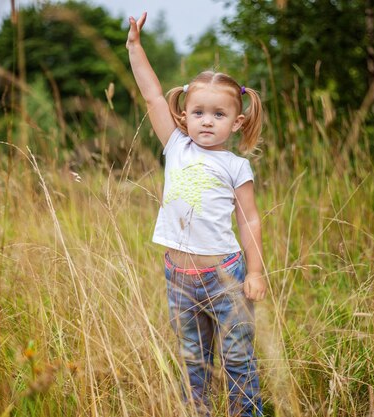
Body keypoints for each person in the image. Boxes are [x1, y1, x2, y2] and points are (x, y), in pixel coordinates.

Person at [127, 12, 267, 416]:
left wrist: (255, 272)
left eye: (219, 115)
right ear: (183, 116)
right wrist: (136, 48)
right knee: (194, 362)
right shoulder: (176, 146)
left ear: (237, 122)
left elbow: (249, 220)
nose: (207, 121)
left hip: (225, 277)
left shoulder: (236, 166)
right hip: (179, 278)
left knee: (237, 359)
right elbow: (153, 95)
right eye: (199, 112)